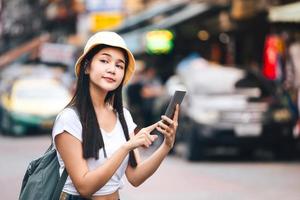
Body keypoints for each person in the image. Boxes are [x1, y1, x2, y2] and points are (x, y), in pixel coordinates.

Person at [52, 31, 180, 200]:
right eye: (104, 61)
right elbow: (84, 187)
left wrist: (166, 146)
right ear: (87, 66)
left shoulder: (124, 117)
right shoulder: (69, 119)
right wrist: (126, 147)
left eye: (119, 65)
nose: (112, 69)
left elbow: (135, 177)